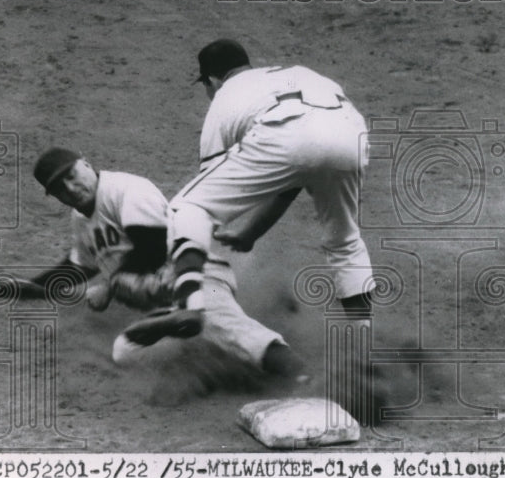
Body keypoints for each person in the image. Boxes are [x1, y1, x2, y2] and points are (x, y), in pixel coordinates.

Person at [129, 39, 376, 344]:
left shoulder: (224, 96)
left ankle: (189, 304)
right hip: (350, 134)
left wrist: (178, 261)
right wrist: (251, 233)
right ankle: (363, 344)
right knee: (344, 241)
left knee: (188, 208)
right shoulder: (297, 73)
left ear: (213, 80)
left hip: (285, 133)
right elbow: (297, 173)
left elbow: (211, 202)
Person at [26, 147, 308, 380]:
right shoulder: (80, 220)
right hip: (165, 299)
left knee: (224, 325)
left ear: (86, 163)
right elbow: (78, 268)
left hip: (196, 277)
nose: (70, 188)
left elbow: (154, 245)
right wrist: (21, 288)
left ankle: (304, 375)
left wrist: (109, 286)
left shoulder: (125, 189)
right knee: (125, 353)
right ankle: (191, 338)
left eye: (72, 175)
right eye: (59, 188)